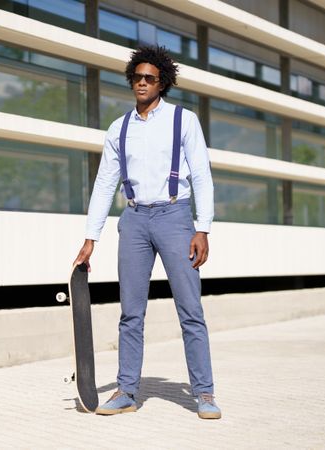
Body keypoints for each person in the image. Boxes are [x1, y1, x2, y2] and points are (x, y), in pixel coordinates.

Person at [73, 45, 221, 420]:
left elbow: (202, 175)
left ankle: (203, 393)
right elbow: (104, 185)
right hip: (135, 219)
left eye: (149, 78)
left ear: (162, 83)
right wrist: (91, 239)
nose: (142, 83)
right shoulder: (118, 128)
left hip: (175, 217)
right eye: (137, 77)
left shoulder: (182, 121)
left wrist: (202, 228)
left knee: (190, 310)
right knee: (130, 313)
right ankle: (127, 390)